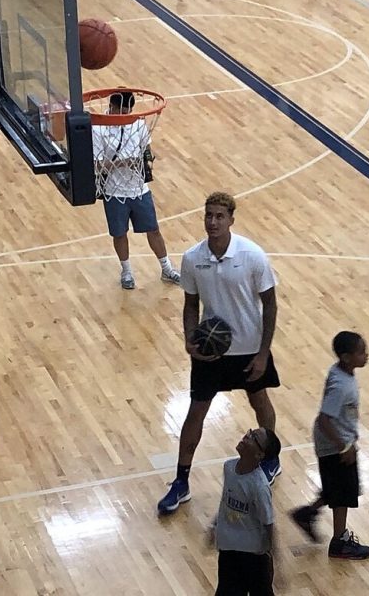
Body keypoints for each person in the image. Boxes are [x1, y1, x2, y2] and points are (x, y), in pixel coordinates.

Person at [158, 191, 281, 515]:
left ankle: (271, 457)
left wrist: (263, 353)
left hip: (249, 348)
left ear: (231, 220)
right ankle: (181, 481)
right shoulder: (192, 258)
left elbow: (270, 305)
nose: (212, 222)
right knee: (196, 412)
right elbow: (190, 305)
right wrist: (189, 339)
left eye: (219, 216)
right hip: (211, 353)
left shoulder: (252, 255)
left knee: (259, 401)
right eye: (208, 215)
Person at [289, 331, 369, 560]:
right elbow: (324, 419)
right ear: (346, 357)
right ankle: (339, 542)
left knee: (337, 486)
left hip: (338, 441)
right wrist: (343, 446)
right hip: (335, 445)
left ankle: (308, 513)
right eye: (361, 352)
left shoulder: (340, 371)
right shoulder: (341, 386)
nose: (366, 355)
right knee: (343, 493)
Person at [92, 90, 180, 290]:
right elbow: (96, 166)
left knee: (153, 230)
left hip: (139, 188)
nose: (125, 116)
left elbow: (147, 150)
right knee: (119, 233)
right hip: (114, 191)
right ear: (111, 107)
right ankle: (126, 271)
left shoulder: (137, 124)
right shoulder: (98, 129)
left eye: (128, 112)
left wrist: (147, 160)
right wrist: (124, 163)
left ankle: (167, 269)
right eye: (121, 112)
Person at [210, 428, 282, 596]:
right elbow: (226, 500)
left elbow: (269, 524)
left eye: (253, 437)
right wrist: (216, 523)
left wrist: (275, 559)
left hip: (253, 556)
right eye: (250, 432)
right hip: (228, 548)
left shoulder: (259, 486)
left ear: (260, 454)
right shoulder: (229, 467)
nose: (246, 436)